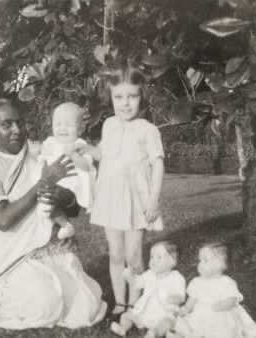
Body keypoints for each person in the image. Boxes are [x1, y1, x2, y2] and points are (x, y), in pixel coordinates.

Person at [0, 98, 106, 330]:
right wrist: (45, 181)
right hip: (9, 258)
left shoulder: (43, 155)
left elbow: (74, 208)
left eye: (19, 122)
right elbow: (3, 219)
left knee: (87, 305)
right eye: (6, 125)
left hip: (48, 249)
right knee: (45, 303)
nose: (16, 130)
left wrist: (62, 196)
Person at [80, 65, 165, 314]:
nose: (125, 103)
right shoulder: (108, 125)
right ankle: (120, 302)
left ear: (142, 97)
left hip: (137, 199)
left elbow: (158, 165)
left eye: (132, 96)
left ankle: (135, 302)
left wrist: (153, 200)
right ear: (111, 98)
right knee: (116, 254)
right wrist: (84, 149)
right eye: (119, 97)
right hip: (110, 197)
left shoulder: (148, 130)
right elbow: (103, 154)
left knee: (133, 254)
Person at [170, 243, 256, 338]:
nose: (200, 264)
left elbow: (232, 299)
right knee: (188, 326)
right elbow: (191, 301)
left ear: (219, 264)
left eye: (206, 260)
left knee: (222, 328)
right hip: (200, 315)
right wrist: (185, 309)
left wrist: (223, 305)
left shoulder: (227, 282)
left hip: (221, 313)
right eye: (200, 260)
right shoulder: (196, 281)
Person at [34, 102, 96, 239]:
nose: (63, 129)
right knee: (45, 194)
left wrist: (74, 155)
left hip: (71, 184)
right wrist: (38, 150)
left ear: (80, 129)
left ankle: (48, 213)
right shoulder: (50, 141)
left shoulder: (80, 145)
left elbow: (86, 166)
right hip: (51, 180)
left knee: (49, 197)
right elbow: (40, 156)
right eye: (58, 124)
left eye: (68, 125)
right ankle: (66, 225)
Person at [110, 241, 186, 338]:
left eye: (159, 257)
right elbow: (137, 283)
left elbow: (181, 296)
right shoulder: (149, 274)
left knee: (167, 323)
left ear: (173, 261)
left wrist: (174, 299)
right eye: (151, 257)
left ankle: (154, 333)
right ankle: (123, 328)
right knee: (126, 316)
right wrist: (129, 276)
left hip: (164, 313)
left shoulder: (176, 277)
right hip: (144, 312)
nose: (153, 260)